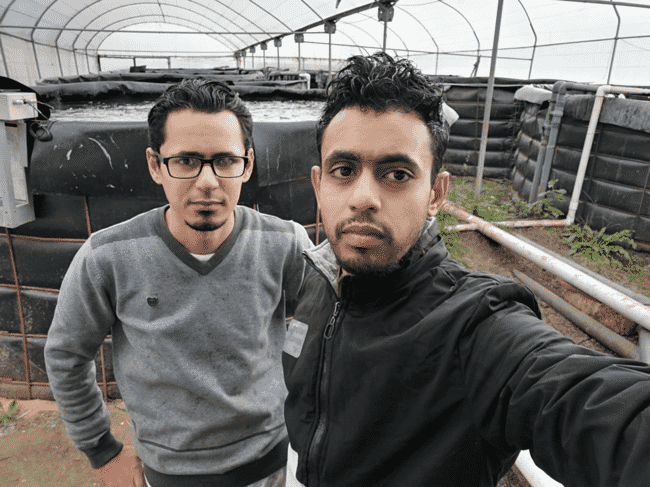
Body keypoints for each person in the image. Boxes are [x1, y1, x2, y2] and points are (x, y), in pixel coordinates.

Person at [281, 52, 650, 487]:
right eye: (344, 170)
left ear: (436, 193)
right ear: (318, 183)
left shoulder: (475, 327)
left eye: (397, 174)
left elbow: (589, 402)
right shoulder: (316, 279)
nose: (364, 197)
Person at [45, 79, 312, 487]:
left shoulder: (285, 244)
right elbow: (66, 355)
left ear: (248, 164)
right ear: (155, 164)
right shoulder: (108, 257)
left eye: (225, 161)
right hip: (169, 475)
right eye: (186, 161)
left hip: (273, 465)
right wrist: (103, 453)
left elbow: (330, 324)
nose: (207, 182)